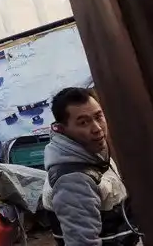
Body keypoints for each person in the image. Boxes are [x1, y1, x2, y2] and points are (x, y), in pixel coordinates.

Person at [41, 87, 142, 246]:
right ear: (62, 130)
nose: (97, 128)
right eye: (83, 122)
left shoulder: (93, 153)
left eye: (98, 116)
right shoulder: (73, 181)